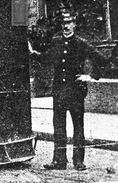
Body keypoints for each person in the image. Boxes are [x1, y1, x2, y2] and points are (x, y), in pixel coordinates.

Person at [29, 11, 106, 171]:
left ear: (74, 24)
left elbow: (102, 60)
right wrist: (33, 53)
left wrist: (90, 76)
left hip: (76, 92)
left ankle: (78, 161)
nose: (66, 26)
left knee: (78, 127)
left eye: (69, 22)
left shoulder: (80, 43)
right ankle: (59, 161)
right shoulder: (56, 41)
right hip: (59, 92)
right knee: (59, 127)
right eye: (63, 23)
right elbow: (47, 58)